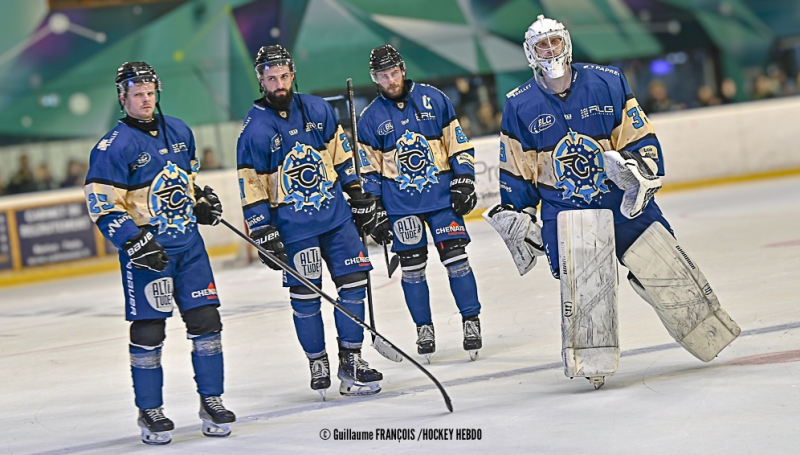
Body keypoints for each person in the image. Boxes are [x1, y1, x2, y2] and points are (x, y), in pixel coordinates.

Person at [489, 15, 739, 387]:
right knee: (587, 292)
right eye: (542, 45)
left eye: (555, 42)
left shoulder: (607, 81)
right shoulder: (519, 105)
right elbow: (515, 168)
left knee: (664, 267)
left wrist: (637, 169)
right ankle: (592, 363)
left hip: (623, 203)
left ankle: (708, 333)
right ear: (530, 53)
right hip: (568, 215)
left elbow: (640, 137)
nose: (550, 50)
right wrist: (518, 213)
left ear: (567, 43)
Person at [83, 62, 235, 445]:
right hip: (148, 254)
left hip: (190, 249)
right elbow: (103, 206)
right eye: (137, 94)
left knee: (207, 322)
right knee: (150, 331)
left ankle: (212, 400)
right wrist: (133, 241)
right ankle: (149, 409)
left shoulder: (180, 131)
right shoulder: (112, 147)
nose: (146, 98)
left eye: (150, 91)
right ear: (123, 98)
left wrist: (202, 202)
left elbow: (186, 184)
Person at [237, 45, 383, 399]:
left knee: (353, 284)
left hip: (336, 219)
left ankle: (352, 359)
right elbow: (251, 185)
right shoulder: (253, 130)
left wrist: (357, 194)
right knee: (306, 296)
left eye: (284, 76)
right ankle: (317, 360)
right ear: (261, 80)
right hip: (294, 230)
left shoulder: (318, 108)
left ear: (292, 73)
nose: (279, 84)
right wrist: (261, 228)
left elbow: (342, 157)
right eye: (271, 78)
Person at [356, 44, 483, 362]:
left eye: (394, 72)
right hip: (400, 207)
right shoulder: (369, 118)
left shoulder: (434, 98)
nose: (390, 80)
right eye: (383, 76)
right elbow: (369, 171)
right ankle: (423, 328)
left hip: (441, 201)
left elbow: (458, 145)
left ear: (403, 69)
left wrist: (464, 177)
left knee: (457, 261)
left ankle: (471, 321)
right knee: (412, 271)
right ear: (375, 78)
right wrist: (375, 209)